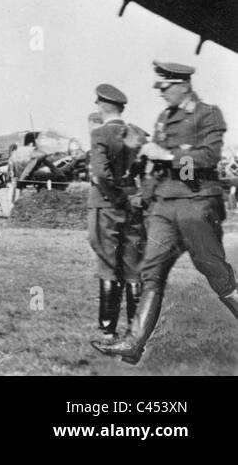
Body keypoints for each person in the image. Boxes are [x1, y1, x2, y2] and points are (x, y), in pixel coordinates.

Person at [95, 61, 238, 364]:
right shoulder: (163, 118)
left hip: (197, 206)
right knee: (151, 273)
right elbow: (157, 168)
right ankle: (134, 344)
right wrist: (140, 196)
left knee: (217, 276)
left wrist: (171, 156)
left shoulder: (208, 114)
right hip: (165, 209)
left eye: (165, 87)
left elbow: (207, 157)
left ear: (182, 85)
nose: (161, 93)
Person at [84, 84, 144, 339]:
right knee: (133, 268)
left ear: (102, 105)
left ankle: (108, 330)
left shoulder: (100, 134)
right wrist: (133, 195)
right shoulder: (137, 134)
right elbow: (146, 169)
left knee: (108, 266)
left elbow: (100, 174)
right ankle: (136, 328)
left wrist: (117, 197)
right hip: (133, 206)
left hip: (107, 206)